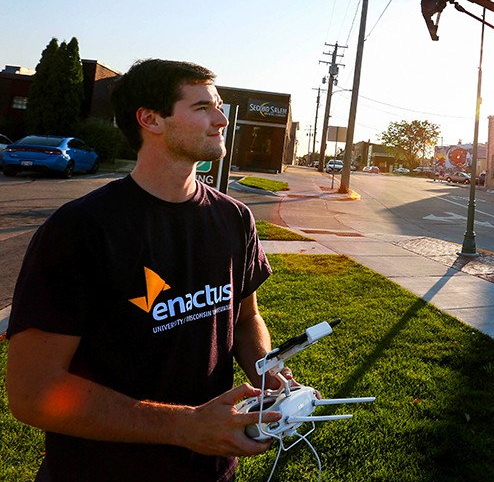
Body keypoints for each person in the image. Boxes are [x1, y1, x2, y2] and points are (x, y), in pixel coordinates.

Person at [6, 59, 290, 481]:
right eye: (201, 108)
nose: (221, 120)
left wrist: (269, 376)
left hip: (210, 468)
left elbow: (246, 318)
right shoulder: (80, 229)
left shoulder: (234, 219)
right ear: (150, 119)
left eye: (219, 106)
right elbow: (33, 392)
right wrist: (184, 426)